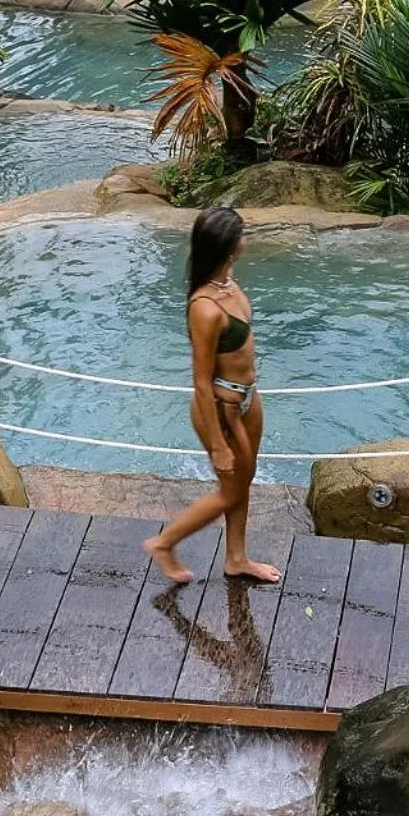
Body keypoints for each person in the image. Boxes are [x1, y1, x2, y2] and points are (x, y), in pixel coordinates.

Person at [143, 207, 282, 585]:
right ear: (228, 246)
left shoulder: (227, 280)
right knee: (230, 490)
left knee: (243, 483)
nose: (245, 239)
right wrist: (218, 445)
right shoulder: (205, 308)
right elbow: (201, 383)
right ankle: (164, 543)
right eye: (241, 234)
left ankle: (237, 559)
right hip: (221, 410)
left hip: (248, 398)